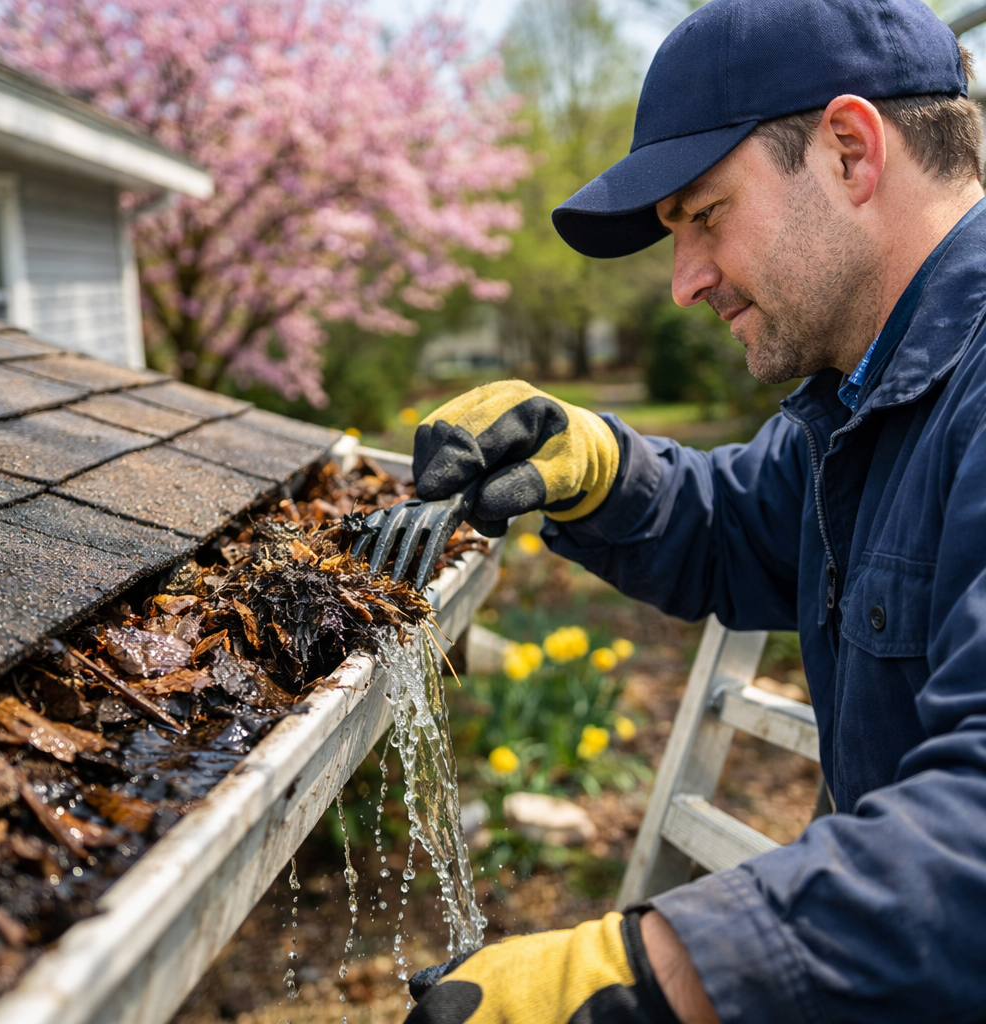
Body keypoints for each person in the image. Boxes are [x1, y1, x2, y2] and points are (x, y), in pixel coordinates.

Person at [402, 0, 986, 1021]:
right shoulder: (866, 392)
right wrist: (594, 464)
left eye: (703, 214)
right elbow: (741, 526)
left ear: (851, 151)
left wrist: (657, 977)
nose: (683, 284)